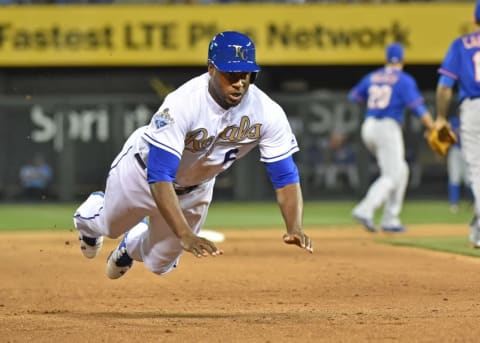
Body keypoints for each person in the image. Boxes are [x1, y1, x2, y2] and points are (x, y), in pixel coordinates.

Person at [73, 31, 313, 280]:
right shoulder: (182, 103)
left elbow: (284, 175)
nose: (240, 82)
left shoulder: (267, 112)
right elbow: (159, 174)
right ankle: (91, 214)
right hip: (141, 175)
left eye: (246, 74)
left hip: (195, 189)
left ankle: (130, 245)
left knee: (159, 264)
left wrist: (294, 226)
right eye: (231, 74)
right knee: (109, 227)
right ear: (211, 68)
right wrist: (185, 233)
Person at [348, 42, 436, 233]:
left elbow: (354, 96)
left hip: (369, 126)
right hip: (387, 127)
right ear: (402, 60)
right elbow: (417, 107)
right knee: (393, 174)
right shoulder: (403, 80)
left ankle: (390, 218)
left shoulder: (372, 76)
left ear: (386, 59)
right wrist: (432, 126)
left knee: (401, 170)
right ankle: (365, 209)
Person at [436, 1, 480, 247]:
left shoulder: (461, 44)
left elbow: (444, 87)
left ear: (475, 20)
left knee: (477, 170)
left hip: (474, 108)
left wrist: (441, 117)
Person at [446, 116, 472, 214]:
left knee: (470, 179)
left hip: (468, 150)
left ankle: (474, 203)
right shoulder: (453, 121)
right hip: (455, 150)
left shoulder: (472, 118)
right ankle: (454, 204)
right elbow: (445, 137)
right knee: (454, 178)